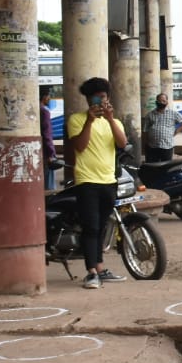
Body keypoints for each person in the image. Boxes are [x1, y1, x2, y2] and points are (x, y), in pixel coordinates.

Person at [66, 77, 129, 289]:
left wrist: (110, 119)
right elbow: (80, 146)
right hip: (87, 181)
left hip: (109, 180)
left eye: (103, 97)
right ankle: (91, 272)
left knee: (102, 227)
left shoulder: (115, 122)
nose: (100, 101)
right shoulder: (77, 120)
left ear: (108, 97)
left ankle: (100, 268)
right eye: (95, 98)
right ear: (87, 99)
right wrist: (90, 121)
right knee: (90, 227)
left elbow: (122, 143)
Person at [142, 92, 182, 163]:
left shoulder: (173, 113)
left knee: (166, 167)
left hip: (167, 146)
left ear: (167, 102)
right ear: (156, 102)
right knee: (152, 168)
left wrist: (176, 132)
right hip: (152, 147)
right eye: (159, 101)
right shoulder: (150, 115)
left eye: (163, 101)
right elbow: (145, 130)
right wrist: (146, 145)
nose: (161, 102)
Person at [39, 85, 57, 191]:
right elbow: (47, 134)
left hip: (38, 151)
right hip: (46, 153)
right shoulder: (44, 111)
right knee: (49, 183)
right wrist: (51, 153)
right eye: (48, 96)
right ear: (44, 97)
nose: (49, 98)